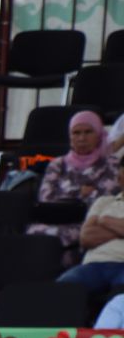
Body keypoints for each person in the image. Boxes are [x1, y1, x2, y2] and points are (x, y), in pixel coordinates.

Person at [29, 112, 118, 263]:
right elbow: (46, 198)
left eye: (88, 132)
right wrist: (81, 193)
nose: (82, 138)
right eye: (76, 133)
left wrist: (68, 195)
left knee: (72, 236)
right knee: (33, 232)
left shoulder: (112, 164)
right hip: (55, 221)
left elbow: (106, 199)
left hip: (91, 223)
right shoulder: (57, 164)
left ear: (98, 135)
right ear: (70, 136)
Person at [57, 190, 124, 306]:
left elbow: (94, 231)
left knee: (119, 299)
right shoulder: (104, 202)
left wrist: (105, 221)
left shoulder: (104, 217)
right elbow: (86, 238)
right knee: (61, 288)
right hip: (94, 264)